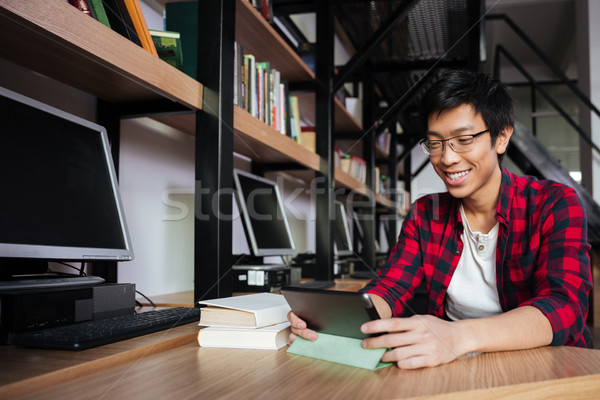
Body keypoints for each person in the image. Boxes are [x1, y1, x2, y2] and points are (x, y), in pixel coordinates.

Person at [288, 69, 592, 369]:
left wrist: (456, 337)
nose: (446, 158)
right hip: (455, 366)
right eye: (435, 143)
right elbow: (390, 289)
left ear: (501, 138)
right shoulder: (425, 213)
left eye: (464, 139)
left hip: (543, 364)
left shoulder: (553, 203)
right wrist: (335, 322)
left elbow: (564, 306)